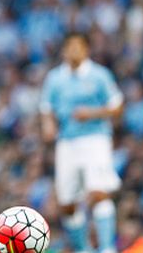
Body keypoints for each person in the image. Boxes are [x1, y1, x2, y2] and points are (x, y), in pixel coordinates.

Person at [40, 32, 124, 253]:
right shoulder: (55, 78)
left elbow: (116, 105)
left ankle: (107, 248)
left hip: (95, 139)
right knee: (67, 203)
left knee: (98, 192)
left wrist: (93, 113)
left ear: (87, 49)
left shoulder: (99, 75)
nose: (74, 51)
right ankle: (83, 248)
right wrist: (48, 126)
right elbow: (46, 108)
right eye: (70, 47)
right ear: (64, 50)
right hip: (67, 142)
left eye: (78, 46)